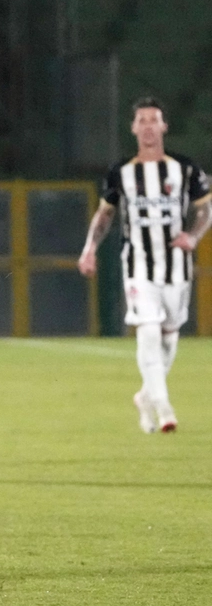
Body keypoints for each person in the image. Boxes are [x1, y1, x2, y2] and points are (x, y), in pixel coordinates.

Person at [78, 97, 212, 433]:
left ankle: (145, 396)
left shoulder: (185, 169)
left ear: (164, 126)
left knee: (168, 337)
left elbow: (206, 211)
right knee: (148, 331)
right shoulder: (121, 172)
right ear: (134, 128)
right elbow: (105, 215)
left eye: (154, 120)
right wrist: (89, 248)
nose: (149, 126)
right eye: (142, 120)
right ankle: (165, 408)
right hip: (138, 263)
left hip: (177, 268)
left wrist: (193, 237)